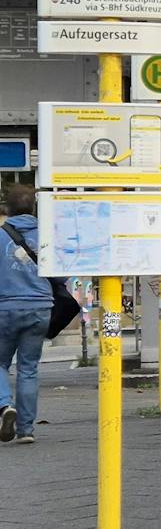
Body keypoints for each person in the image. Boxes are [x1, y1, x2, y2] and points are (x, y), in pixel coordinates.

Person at [0, 186, 54, 445]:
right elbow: (61, 276)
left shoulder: (0, 236)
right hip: (40, 308)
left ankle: (4, 405)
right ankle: (26, 430)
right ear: (33, 208)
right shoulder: (47, 235)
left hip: (4, 309)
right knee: (29, 369)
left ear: (7, 209)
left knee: (0, 363)